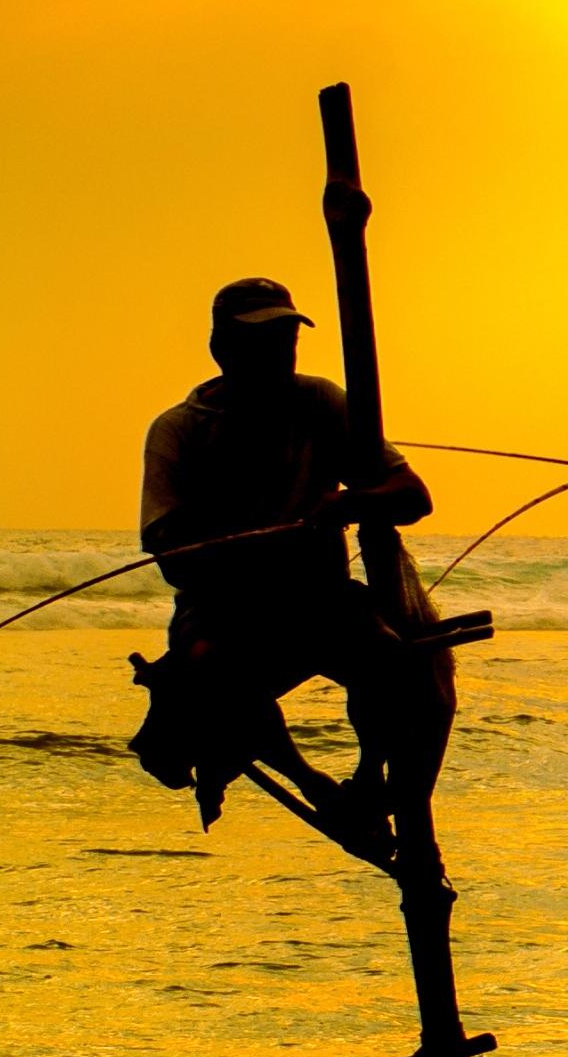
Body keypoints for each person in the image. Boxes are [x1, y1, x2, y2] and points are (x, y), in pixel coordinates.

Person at [129, 275, 435, 839]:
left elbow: (414, 497)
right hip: (220, 610)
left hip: (320, 599)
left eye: (285, 339)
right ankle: (310, 779)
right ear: (222, 349)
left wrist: (349, 503)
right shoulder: (179, 430)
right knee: (209, 678)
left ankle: (368, 783)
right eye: (259, 342)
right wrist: (241, 549)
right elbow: (170, 552)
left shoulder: (318, 401)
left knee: (398, 666)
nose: (277, 354)